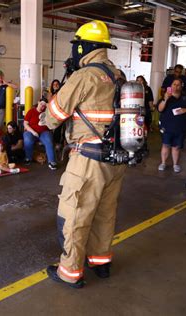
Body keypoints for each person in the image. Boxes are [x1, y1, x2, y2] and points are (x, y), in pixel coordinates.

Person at [44, 20, 127, 288]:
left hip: (88, 160)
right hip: (116, 159)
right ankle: (100, 262)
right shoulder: (118, 75)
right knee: (105, 214)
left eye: (77, 45)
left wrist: (59, 92)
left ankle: (69, 272)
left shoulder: (84, 76)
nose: (75, 49)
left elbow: (52, 118)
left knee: (76, 215)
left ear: (85, 46)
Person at [157, 79, 186, 173]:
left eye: (178, 85)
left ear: (181, 86)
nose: (176, 86)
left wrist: (185, 110)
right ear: (171, 85)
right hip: (167, 126)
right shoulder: (166, 96)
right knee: (165, 145)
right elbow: (160, 109)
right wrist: (165, 99)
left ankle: (175, 164)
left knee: (176, 147)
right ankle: (163, 163)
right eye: (174, 84)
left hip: (180, 127)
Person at [23, 101, 57, 170]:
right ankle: (28, 158)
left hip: (44, 132)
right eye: (41, 104)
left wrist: (48, 108)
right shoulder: (31, 111)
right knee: (28, 139)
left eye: (44, 105)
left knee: (48, 141)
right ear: (38, 102)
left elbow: (53, 122)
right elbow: (25, 124)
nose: (42, 106)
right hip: (31, 131)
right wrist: (33, 132)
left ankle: (52, 162)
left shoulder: (47, 112)